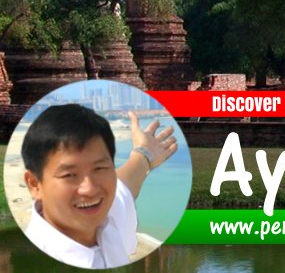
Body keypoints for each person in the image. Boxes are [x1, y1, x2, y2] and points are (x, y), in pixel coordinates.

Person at [21, 104, 178, 269]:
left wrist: (145, 153)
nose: (89, 189)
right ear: (34, 184)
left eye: (99, 168)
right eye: (69, 175)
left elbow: (123, 187)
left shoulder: (105, 220)